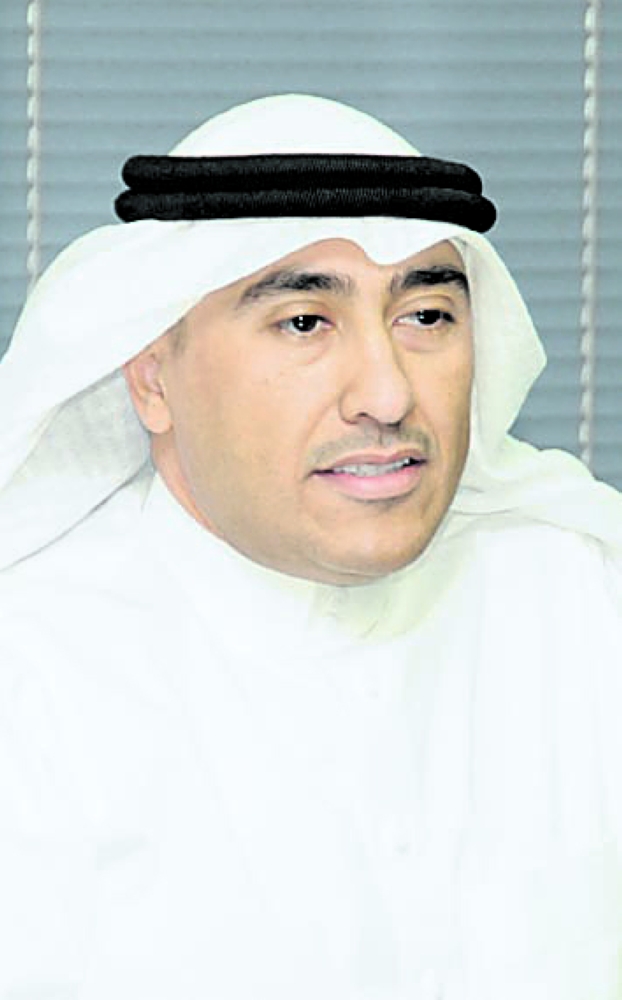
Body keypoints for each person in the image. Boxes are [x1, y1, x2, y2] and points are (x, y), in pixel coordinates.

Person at [0, 94, 621, 1000]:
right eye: (304, 322)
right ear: (152, 378)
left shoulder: (586, 602)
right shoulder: (30, 679)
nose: (387, 395)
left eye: (426, 317)